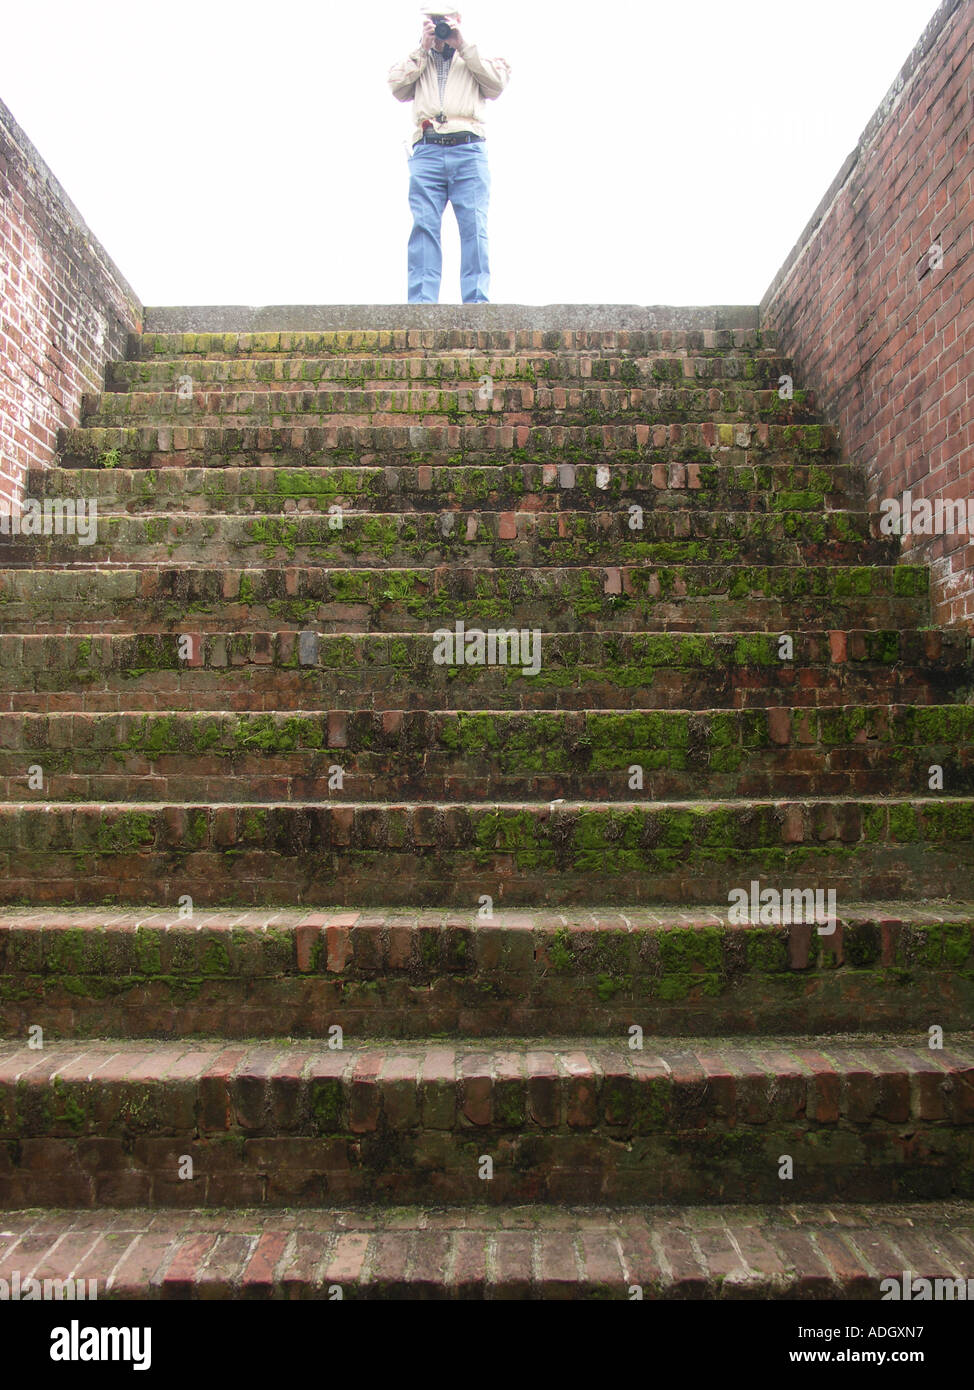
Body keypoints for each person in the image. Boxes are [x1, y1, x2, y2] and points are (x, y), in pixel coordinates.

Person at [388, 8, 511, 304]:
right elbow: (397, 86)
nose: (440, 25)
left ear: (458, 20)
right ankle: (421, 304)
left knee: (474, 226)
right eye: (433, 19)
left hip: (468, 148)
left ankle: (477, 301)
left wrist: (463, 45)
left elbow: (496, 84)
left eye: (445, 19)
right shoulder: (419, 59)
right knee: (424, 228)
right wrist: (424, 47)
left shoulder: (474, 58)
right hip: (427, 148)